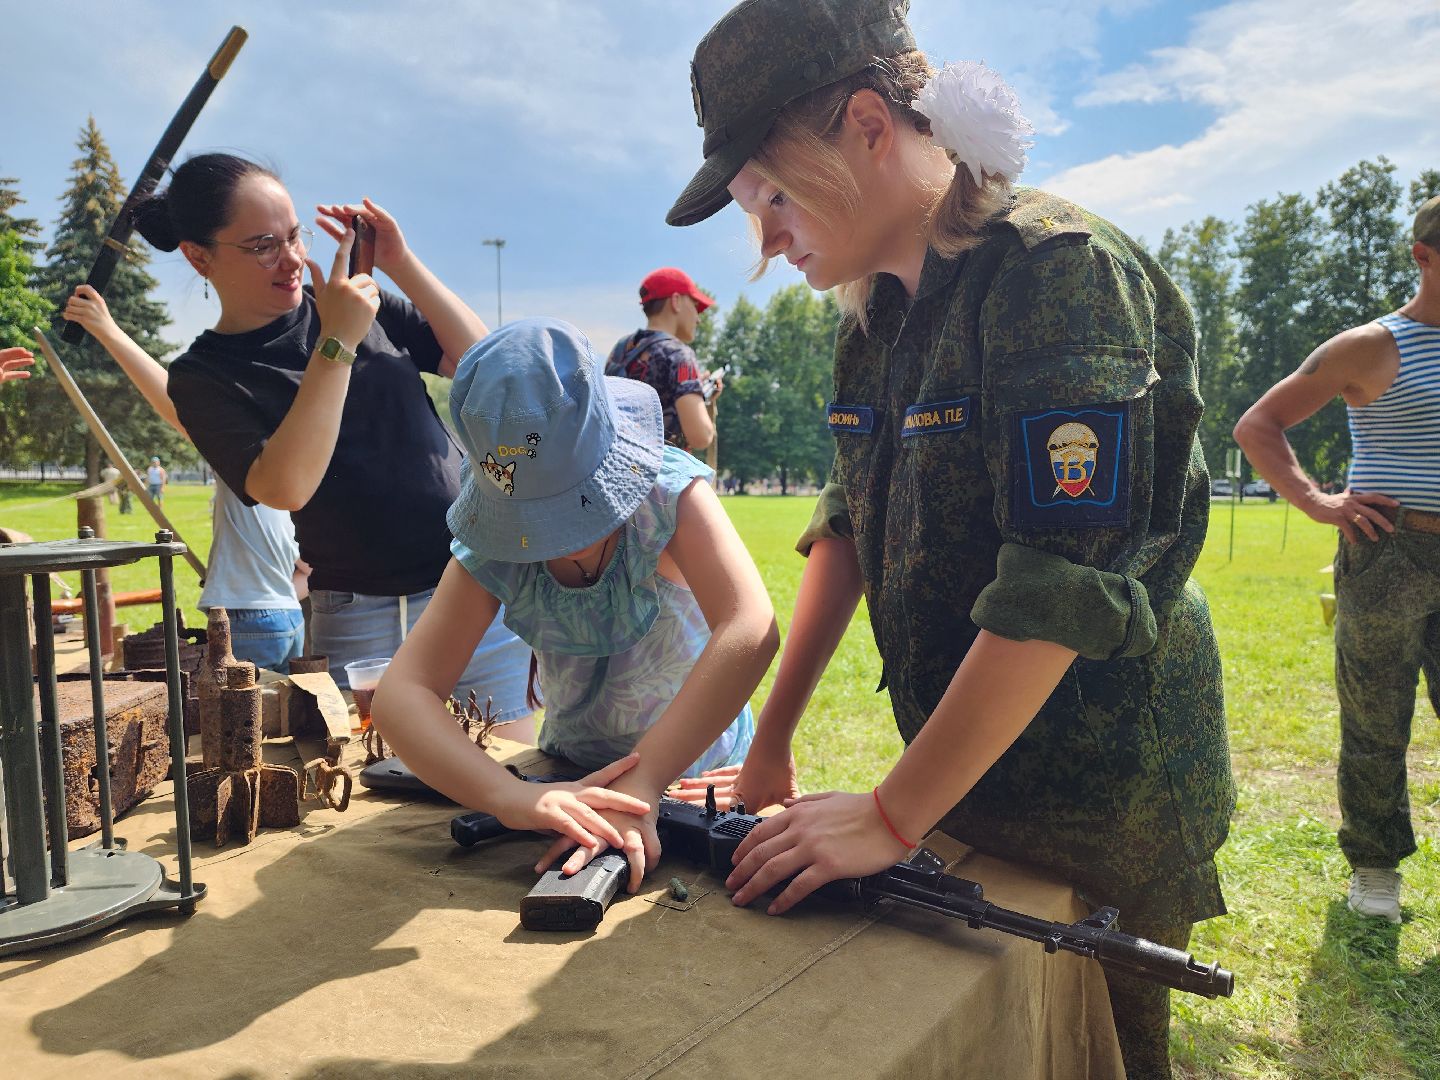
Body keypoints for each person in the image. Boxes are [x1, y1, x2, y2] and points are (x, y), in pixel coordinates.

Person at [665, 2, 1235, 1076]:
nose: (769, 239)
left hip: (1102, 787)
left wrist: (891, 810)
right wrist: (772, 747)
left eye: (773, 196)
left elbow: (1059, 588)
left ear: (871, 127)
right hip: (966, 774)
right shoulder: (872, 316)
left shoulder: (1056, 271)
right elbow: (847, 530)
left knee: (1099, 1046)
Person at [128, 153, 532, 732]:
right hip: (356, 614)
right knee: (381, 798)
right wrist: (338, 341)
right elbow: (285, 484)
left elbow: (485, 364)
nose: (292, 258)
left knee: (517, 769)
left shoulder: (347, 300)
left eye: (295, 236)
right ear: (199, 256)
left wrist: (400, 262)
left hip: (470, 582)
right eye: (263, 244)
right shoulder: (203, 374)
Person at [372, 317, 778, 891]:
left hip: (699, 781)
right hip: (572, 775)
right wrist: (506, 795)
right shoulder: (495, 544)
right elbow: (401, 694)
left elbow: (750, 626)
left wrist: (646, 779)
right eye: (535, 522)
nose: (551, 538)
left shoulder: (669, 497)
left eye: (573, 510)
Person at [1234, 193, 1440, 926]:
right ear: (1423, 257)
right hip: (1390, 551)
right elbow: (1258, 423)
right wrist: (1319, 501)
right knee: (1377, 714)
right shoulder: (1369, 347)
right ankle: (1376, 868)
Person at [63, 285, 309, 672]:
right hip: (288, 618)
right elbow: (306, 572)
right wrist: (233, 582)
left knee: (241, 724)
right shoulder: (301, 474)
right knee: (275, 725)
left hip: (251, 622)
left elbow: (176, 406)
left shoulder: (251, 465)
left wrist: (108, 330)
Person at [605, 267, 723, 451]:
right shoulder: (679, 354)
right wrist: (702, 399)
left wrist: (693, 388)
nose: (698, 318)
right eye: (694, 305)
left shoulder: (621, 348)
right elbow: (701, 437)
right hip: (656, 472)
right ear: (676, 301)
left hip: (616, 465)